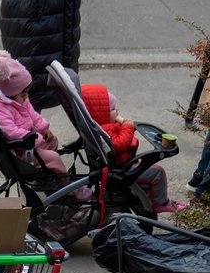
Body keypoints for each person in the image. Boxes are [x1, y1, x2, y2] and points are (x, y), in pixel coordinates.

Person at [80, 83, 186, 213]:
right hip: (123, 169)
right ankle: (161, 202)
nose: (117, 111)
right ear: (100, 114)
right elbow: (119, 144)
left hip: (121, 163)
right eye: (113, 109)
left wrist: (122, 127)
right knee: (157, 172)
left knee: (149, 171)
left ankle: (150, 195)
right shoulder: (105, 130)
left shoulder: (101, 127)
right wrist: (127, 128)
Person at [0, 50, 68, 176]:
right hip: (21, 150)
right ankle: (66, 185)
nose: (26, 97)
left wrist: (43, 128)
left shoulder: (17, 98)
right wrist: (36, 138)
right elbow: (11, 133)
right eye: (23, 94)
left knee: (53, 141)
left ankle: (45, 175)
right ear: (9, 93)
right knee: (54, 158)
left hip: (30, 141)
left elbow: (32, 114)